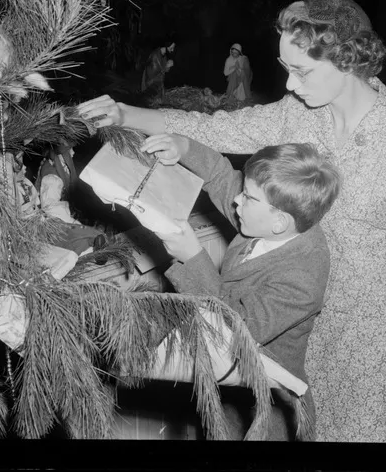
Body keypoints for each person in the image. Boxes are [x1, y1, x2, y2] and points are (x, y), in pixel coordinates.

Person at [77, 0, 386, 443]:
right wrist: (126, 112)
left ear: (345, 58)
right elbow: (214, 128)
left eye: (301, 70)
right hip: (298, 322)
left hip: (378, 326)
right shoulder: (297, 115)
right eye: (287, 69)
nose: (289, 84)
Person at [139, 132, 340, 440]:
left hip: (267, 409)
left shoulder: (303, 278)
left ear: (279, 222)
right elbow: (220, 174)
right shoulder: (269, 222)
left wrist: (193, 257)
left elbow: (238, 327)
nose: (237, 200)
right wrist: (184, 147)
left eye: (248, 197)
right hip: (228, 390)